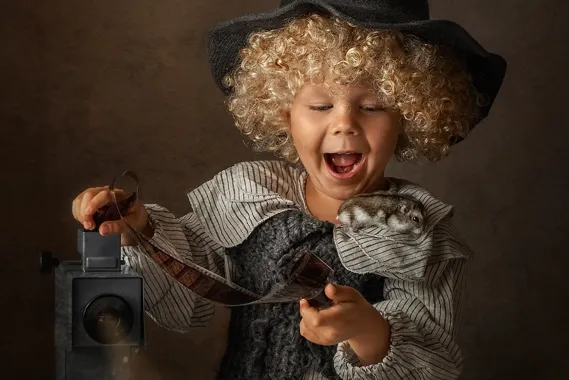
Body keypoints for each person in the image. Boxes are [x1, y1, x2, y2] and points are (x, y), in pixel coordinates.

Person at [71, 1, 507, 379]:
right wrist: (139, 229)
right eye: (320, 105)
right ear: (283, 112)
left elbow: (432, 361)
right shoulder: (250, 195)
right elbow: (187, 304)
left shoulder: (418, 231)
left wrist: (368, 331)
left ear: (410, 116)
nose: (344, 123)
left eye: (373, 106)